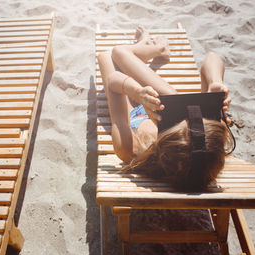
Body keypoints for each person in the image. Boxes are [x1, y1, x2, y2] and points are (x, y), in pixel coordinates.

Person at [97, 26, 233, 190]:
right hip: (155, 98)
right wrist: (215, 82)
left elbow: (113, 81)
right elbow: (212, 58)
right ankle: (152, 48)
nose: (186, 111)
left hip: (133, 100)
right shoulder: (208, 145)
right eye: (190, 114)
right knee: (119, 53)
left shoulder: (129, 147)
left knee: (111, 54)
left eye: (182, 116)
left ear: (167, 140)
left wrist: (137, 92)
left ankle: (155, 48)